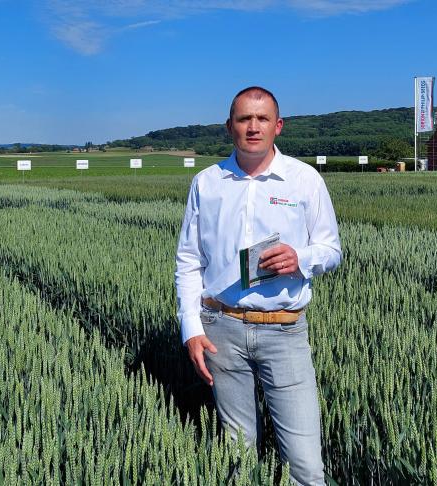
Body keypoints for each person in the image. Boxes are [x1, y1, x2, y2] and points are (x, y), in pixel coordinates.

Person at [174, 86, 341, 485]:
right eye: (244, 119)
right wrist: (192, 330)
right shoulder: (206, 183)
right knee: (237, 456)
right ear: (229, 126)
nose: (253, 127)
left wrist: (300, 258)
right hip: (221, 329)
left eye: (262, 119)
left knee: (304, 463)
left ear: (278, 126)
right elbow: (188, 261)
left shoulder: (304, 180)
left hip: (284, 332)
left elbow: (331, 249)